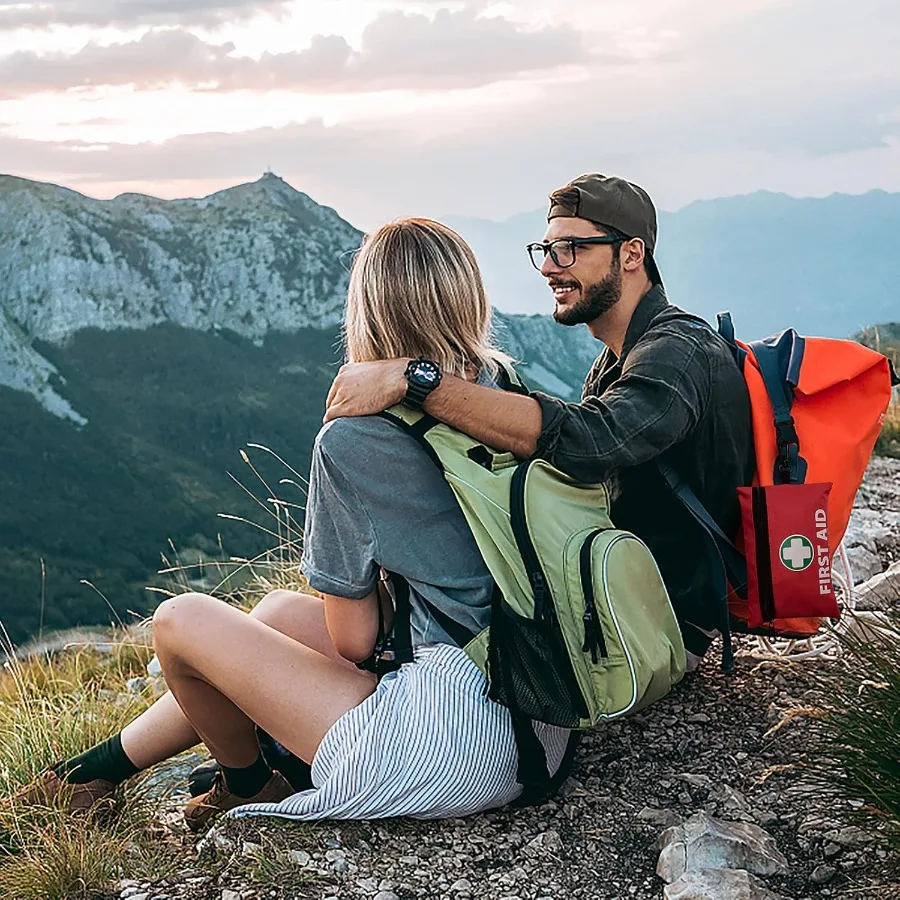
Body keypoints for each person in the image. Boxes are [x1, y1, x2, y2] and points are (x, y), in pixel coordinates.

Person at [4, 218, 571, 829]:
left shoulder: (353, 440)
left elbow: (354, 642)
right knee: (274, 613)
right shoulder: (499, 390)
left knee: (178, 622)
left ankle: (245, 782)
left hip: (454, 743)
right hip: (538, 706)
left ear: (369, 309)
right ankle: (90, 775)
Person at [325, 174, 755, 667]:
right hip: (623, 605)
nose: (550, 267)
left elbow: (595, 443)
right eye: (546, 249)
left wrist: (416, 380)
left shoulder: (678, 351)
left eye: (570, 248)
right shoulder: (618, 361)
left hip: (658, 625)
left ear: (632, 255)